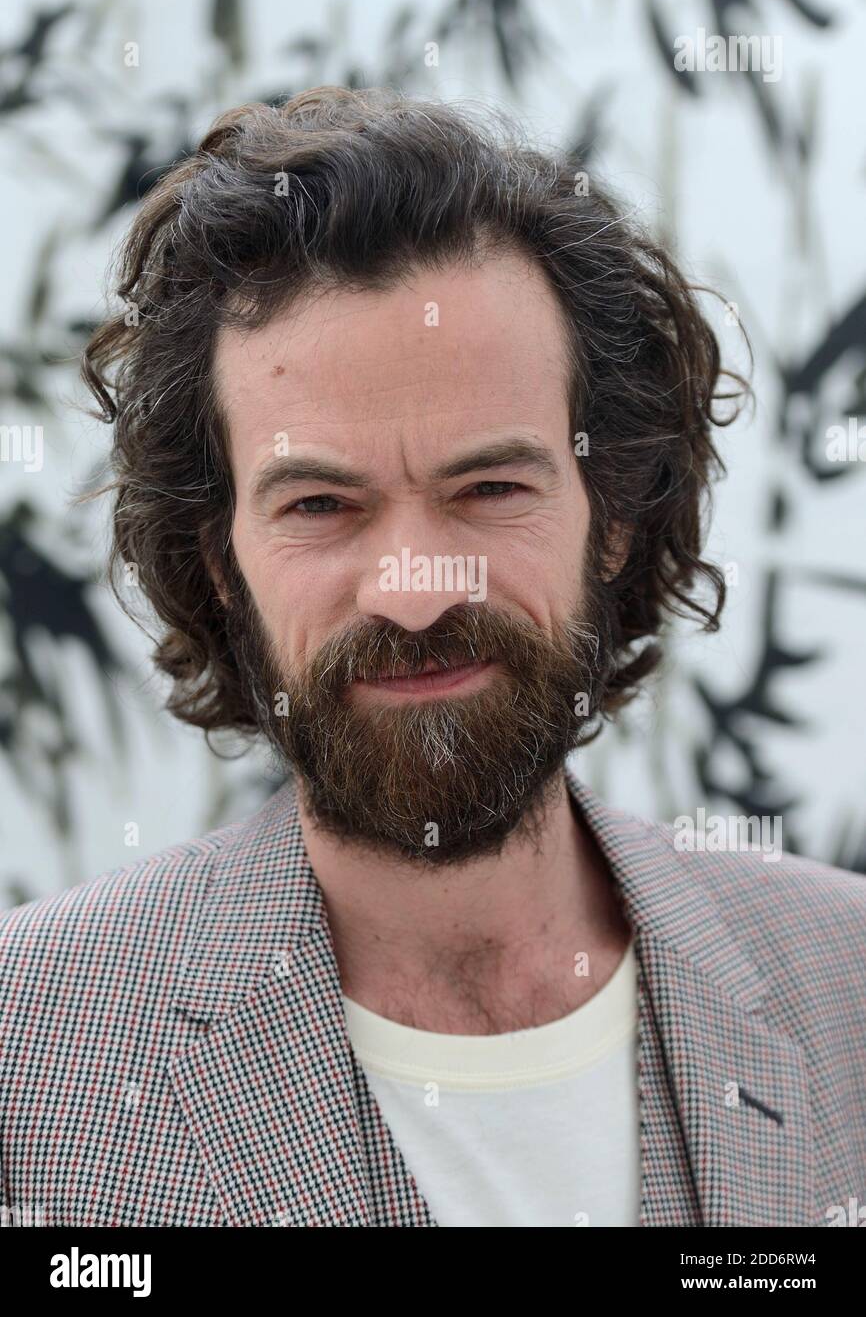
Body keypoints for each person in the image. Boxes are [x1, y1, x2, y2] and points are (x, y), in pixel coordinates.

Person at [2, 87, 864, 1228]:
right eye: (319, 504)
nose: (412, 593)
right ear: (219, 561)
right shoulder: (30, 1049)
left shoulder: (841, 978)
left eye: (489, 487)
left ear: (609, 514)